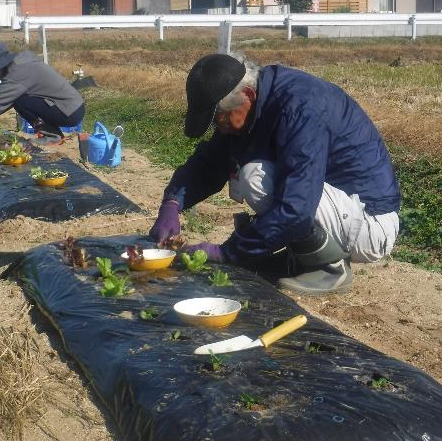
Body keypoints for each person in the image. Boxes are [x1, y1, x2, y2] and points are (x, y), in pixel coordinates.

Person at [150, 54, 401, 295]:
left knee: (254, 178)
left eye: (220, 120)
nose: (220, 129)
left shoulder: (299, 109)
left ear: (246, 95)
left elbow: (297, 208)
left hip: (370, 223)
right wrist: (172, 203)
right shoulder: (252, 101)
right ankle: (304, 256)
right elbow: (210, 162)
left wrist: (228, 253)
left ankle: (330, 268)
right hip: (337, 208)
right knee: (256, 173)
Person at [0, 42, 85, 144]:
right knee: (17, 99)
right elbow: (0, 100)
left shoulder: (17, 72)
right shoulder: (19, 62)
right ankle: (53, 134)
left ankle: (53, 136)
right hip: (70, 107)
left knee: (19, 100)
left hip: (69, 111)